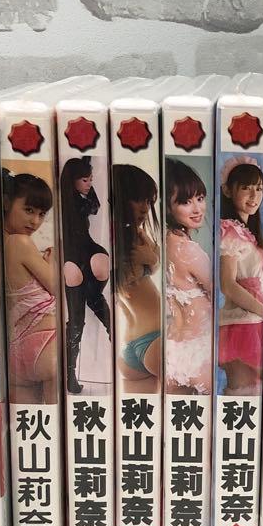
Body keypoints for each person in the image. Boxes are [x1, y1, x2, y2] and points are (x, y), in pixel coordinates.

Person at [2, 171, 58, 404]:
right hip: (47, 341)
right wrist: (51, 262)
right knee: (56, 422)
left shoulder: (0, 244)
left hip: (16, 350)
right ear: (6, 202)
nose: (35, 221)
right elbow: (57, 287)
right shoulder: (20, 242)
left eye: (41, 214)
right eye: (28, 210)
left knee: (30, 421)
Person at [60, 156, 111, 393]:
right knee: (82, 314)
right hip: (75, 256)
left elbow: (95, 206)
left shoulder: (79, 200)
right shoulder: (66, 203)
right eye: (85, 179)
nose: (90, 184)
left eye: (91, 179)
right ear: (72, 180)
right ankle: (70, 375)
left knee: (81, 315)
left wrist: (85, 170)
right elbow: (93, 206)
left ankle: (71, 377)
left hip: (84, 252)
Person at [164, 158, 213, 395]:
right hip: (199, 351)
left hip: (172, 351)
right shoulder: (189, 250)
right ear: (167, 206)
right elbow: (217, 296)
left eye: (200, 198)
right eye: (185, 202)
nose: (197, 209)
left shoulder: (164, 244)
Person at [218, 160, 263, 395]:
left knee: (253, 391)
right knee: (242, 391)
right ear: (228, 191)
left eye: (258, 188)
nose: (254, 195)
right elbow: (227, 285)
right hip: (242, 321)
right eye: (246, 187)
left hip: (253, 318)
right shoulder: (229, 230)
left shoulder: (247, 233)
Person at [113, 164, 162, 394]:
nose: (145, 208)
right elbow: (154, 262)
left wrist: (151, 259)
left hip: (129, 350)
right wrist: (151, 259)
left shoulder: (119, 237)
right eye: (137, 199)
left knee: (139, 413)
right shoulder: (129, 237)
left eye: (148, 201)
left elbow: (155, 260)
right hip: (154, 338)